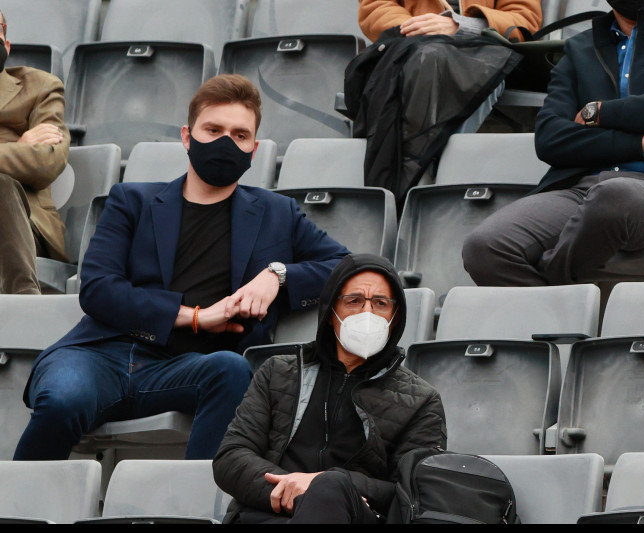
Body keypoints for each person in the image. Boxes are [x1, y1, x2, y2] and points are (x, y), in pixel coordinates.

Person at [15, 74, 351, 461]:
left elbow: (345, 266)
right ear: (188, 136)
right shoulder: (132, 200)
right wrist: (195, 317)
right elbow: (97, 288)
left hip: (188, 368)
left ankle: (196, 507)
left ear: (254, 149)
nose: (226, 142)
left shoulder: (277, 213)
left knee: (230, 371)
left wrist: (277, 275)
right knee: (64, 399)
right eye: (213, 129)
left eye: (240, 135)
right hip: (100, 355)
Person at [461, 0, 644, 286]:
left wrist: (599, 112)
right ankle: (559, 322)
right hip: (584, 186)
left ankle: (549, 286)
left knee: (613, 198)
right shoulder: (580, 48)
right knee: (485, 247)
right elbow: (551, 139)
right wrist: (643, 143)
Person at [213, 254, 446, 524]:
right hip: (267, 513)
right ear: (330, 312)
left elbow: (415, 490)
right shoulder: (277, 372)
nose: (366, 313)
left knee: (330, 486)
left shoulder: (421, 400)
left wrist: (329, 486)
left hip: (354, 516)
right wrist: (297, 492)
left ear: (394, 317)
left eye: (380, 303)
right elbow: (231, 458)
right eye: (354, 300)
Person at [0, 8, 70, 294]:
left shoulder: (39, 86)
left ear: (5, 42)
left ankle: (23, 303)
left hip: (20, 222)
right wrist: (16, 148)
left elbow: (46, 161)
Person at [358, 0, 542, 43]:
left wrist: (461, 27)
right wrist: (420, 29)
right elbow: (376, 7)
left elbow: (524, 20)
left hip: (485, 52)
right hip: (411, 49)